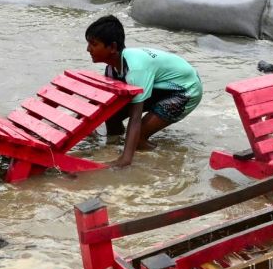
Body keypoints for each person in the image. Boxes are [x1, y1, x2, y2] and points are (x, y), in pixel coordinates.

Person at [85, 15, 202, 168]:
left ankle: (164, 157)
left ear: (112, 47)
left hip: (185, 90)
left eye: (93, 44)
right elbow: (102, 102)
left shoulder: (135, 70)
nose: (88, 49)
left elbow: (135, 118)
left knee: (138, 139)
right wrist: (81, 126)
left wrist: (124, 160)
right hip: (160, 87)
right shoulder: (112, 68)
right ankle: (114, 145)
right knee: (111, 114)